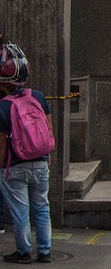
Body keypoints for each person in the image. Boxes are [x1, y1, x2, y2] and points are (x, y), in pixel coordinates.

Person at [0, 43, 53, 264]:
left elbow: (2, 144)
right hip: (41, 162)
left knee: (20, 211)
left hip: (15, 165)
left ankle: (23, 252)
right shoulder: (38, 97)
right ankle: (45, 251)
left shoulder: (3, 107)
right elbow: (49, 129)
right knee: (42, 207)